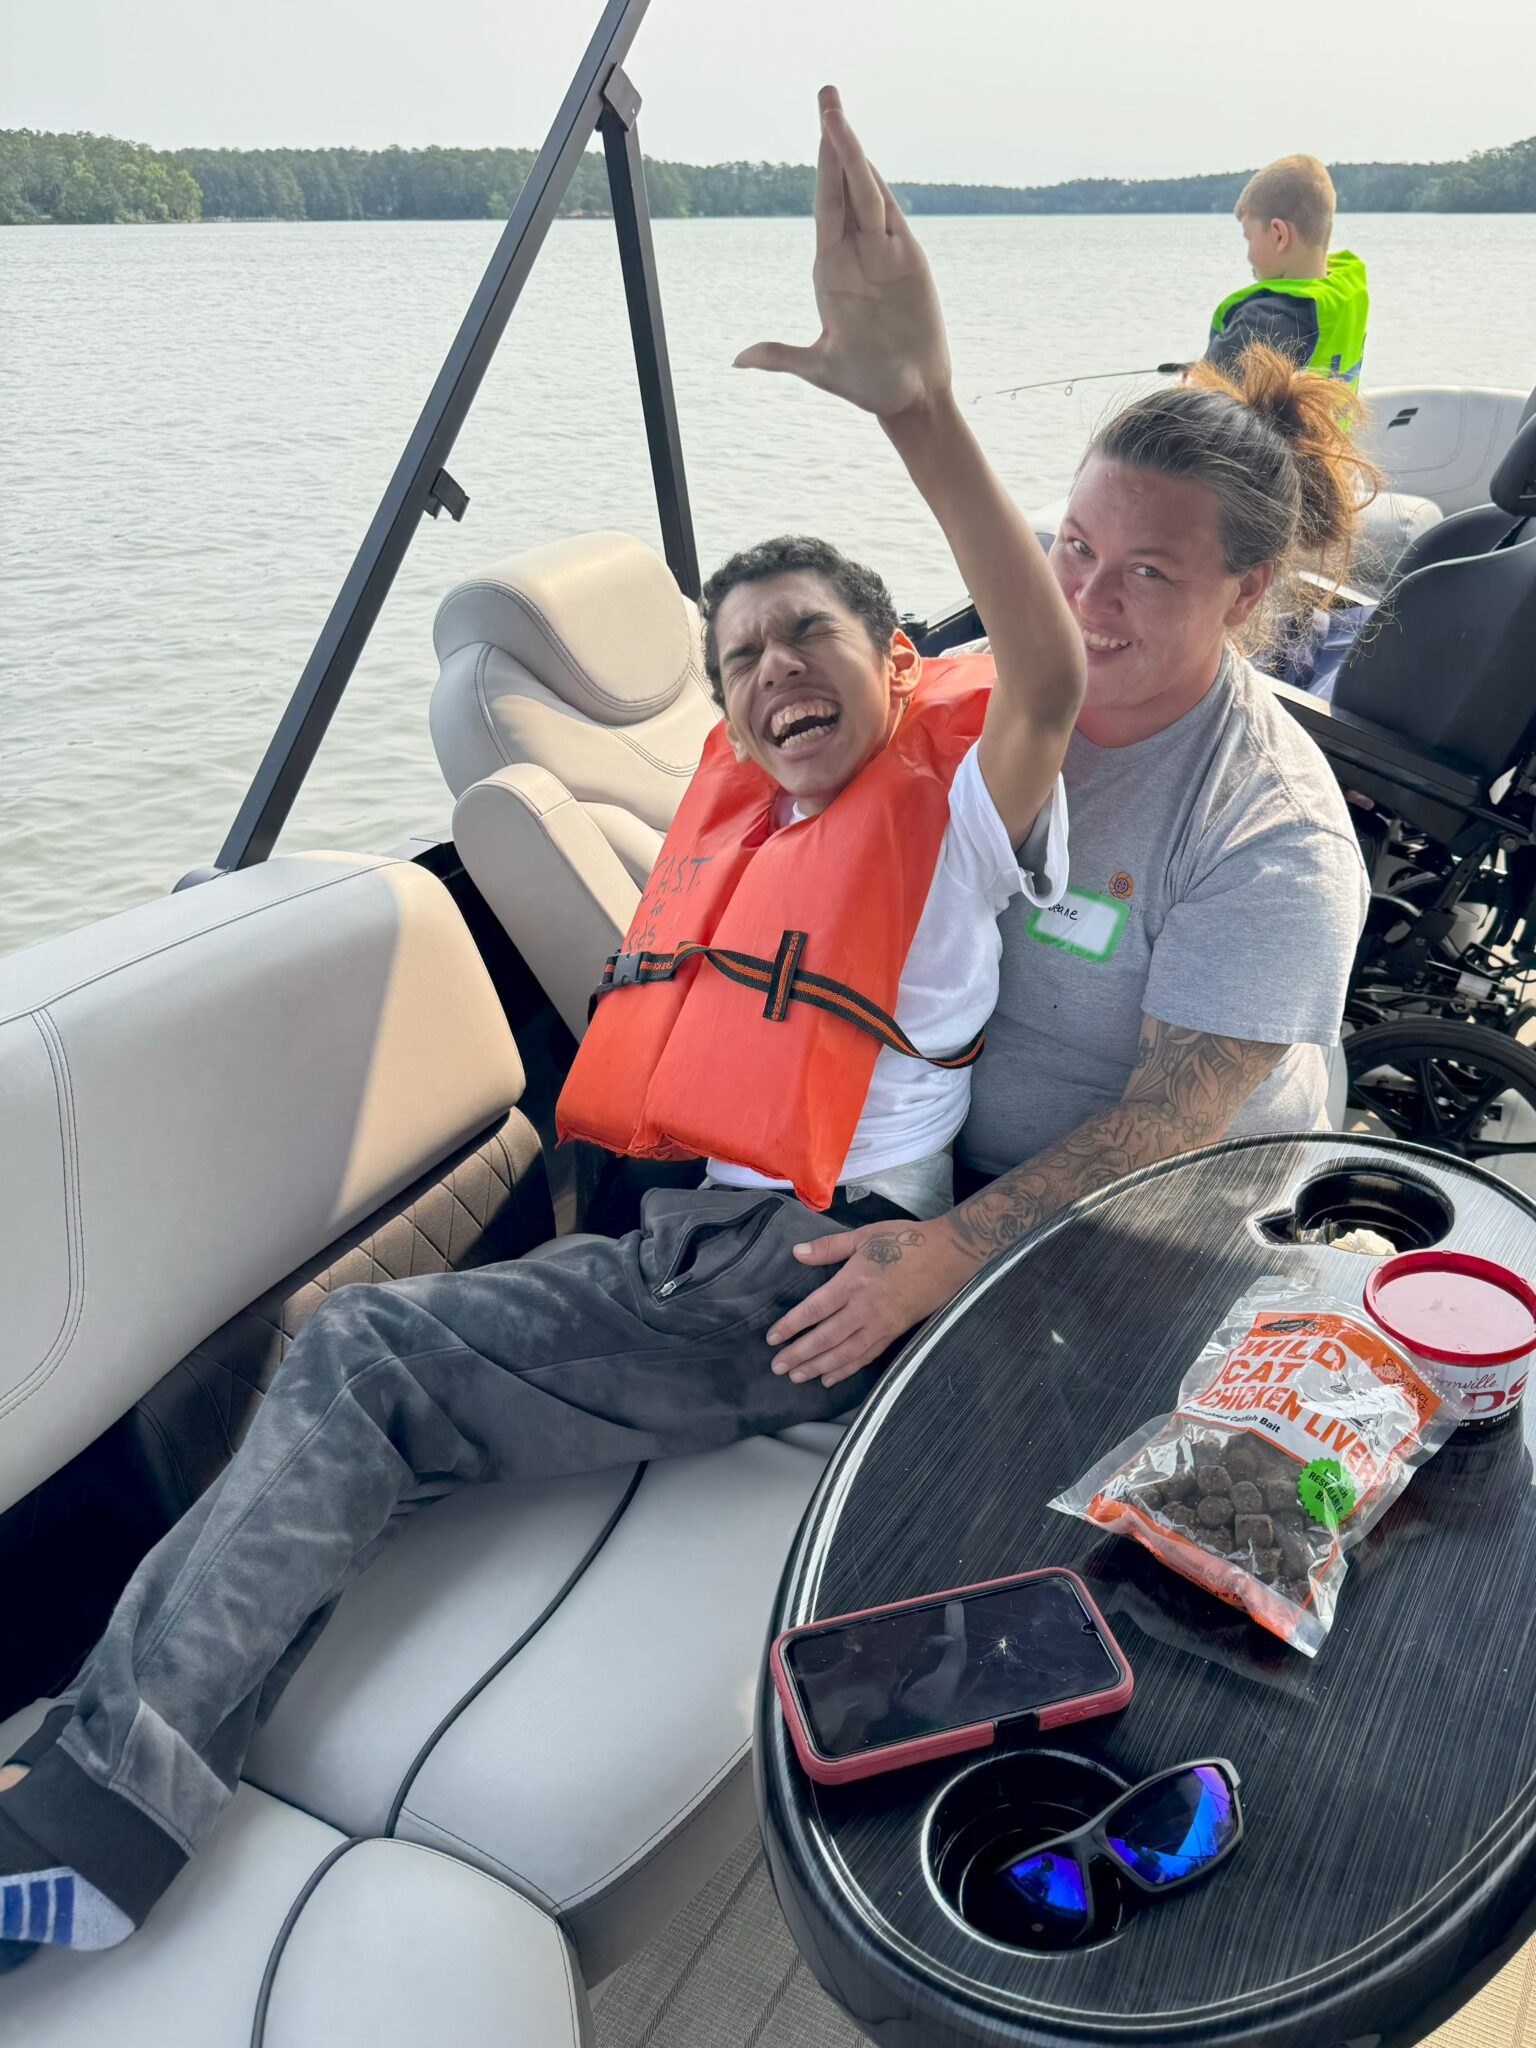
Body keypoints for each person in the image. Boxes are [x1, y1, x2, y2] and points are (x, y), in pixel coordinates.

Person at [0, 86, 1085, 1964]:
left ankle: (100, 1812)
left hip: (796, 1271)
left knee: (350, 1361)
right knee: (375, 1375)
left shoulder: (958, 817)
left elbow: (1046, 660)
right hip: (693, 1252)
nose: (770, 671)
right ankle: (150, 1735)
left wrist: (913, 397)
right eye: (739, 657)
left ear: (895, 660)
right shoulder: (748, 821)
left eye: (810, 632)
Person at [761, 344, 1375, 1390]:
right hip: (916, 1155)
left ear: (1243, 592)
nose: (1088, 597)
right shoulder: (982, 707)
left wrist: (946, 1252)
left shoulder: (1272, 832)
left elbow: (1170, 1125)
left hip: (1151, 1238)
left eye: (1148, 571)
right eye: (1076, 546)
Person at [1205, 154, 1369, 389]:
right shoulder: (1347, 288)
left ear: (1279, 234)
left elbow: (1202, 409)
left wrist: (1195, 379)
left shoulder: (1262, 322)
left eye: (1249, 238)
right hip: (1336, 426)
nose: (1248, 256)